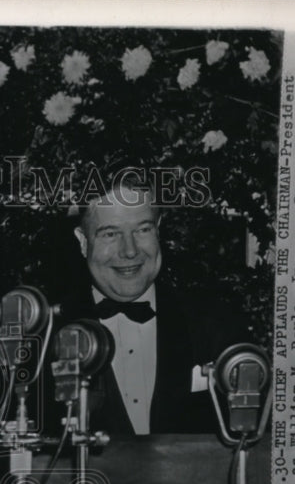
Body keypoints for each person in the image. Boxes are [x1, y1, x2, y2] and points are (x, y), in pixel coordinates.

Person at [58, 175, 250, 435]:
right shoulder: (48, 333)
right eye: (110, 233)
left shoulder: (215, 323)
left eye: (142, 229)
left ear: (158, 228)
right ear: (83, 241)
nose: (129, 251)